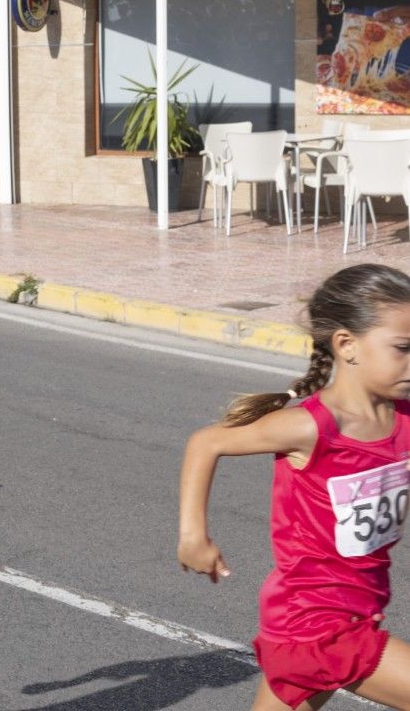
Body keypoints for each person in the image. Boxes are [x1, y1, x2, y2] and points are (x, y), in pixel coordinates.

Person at [179, 264, 410, 711]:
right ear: (347, 345)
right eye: (404, 349)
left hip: (358, 606)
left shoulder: (402, 417)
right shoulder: (310, 427)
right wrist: (194, 536)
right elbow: (207, 441)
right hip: (315, 623)